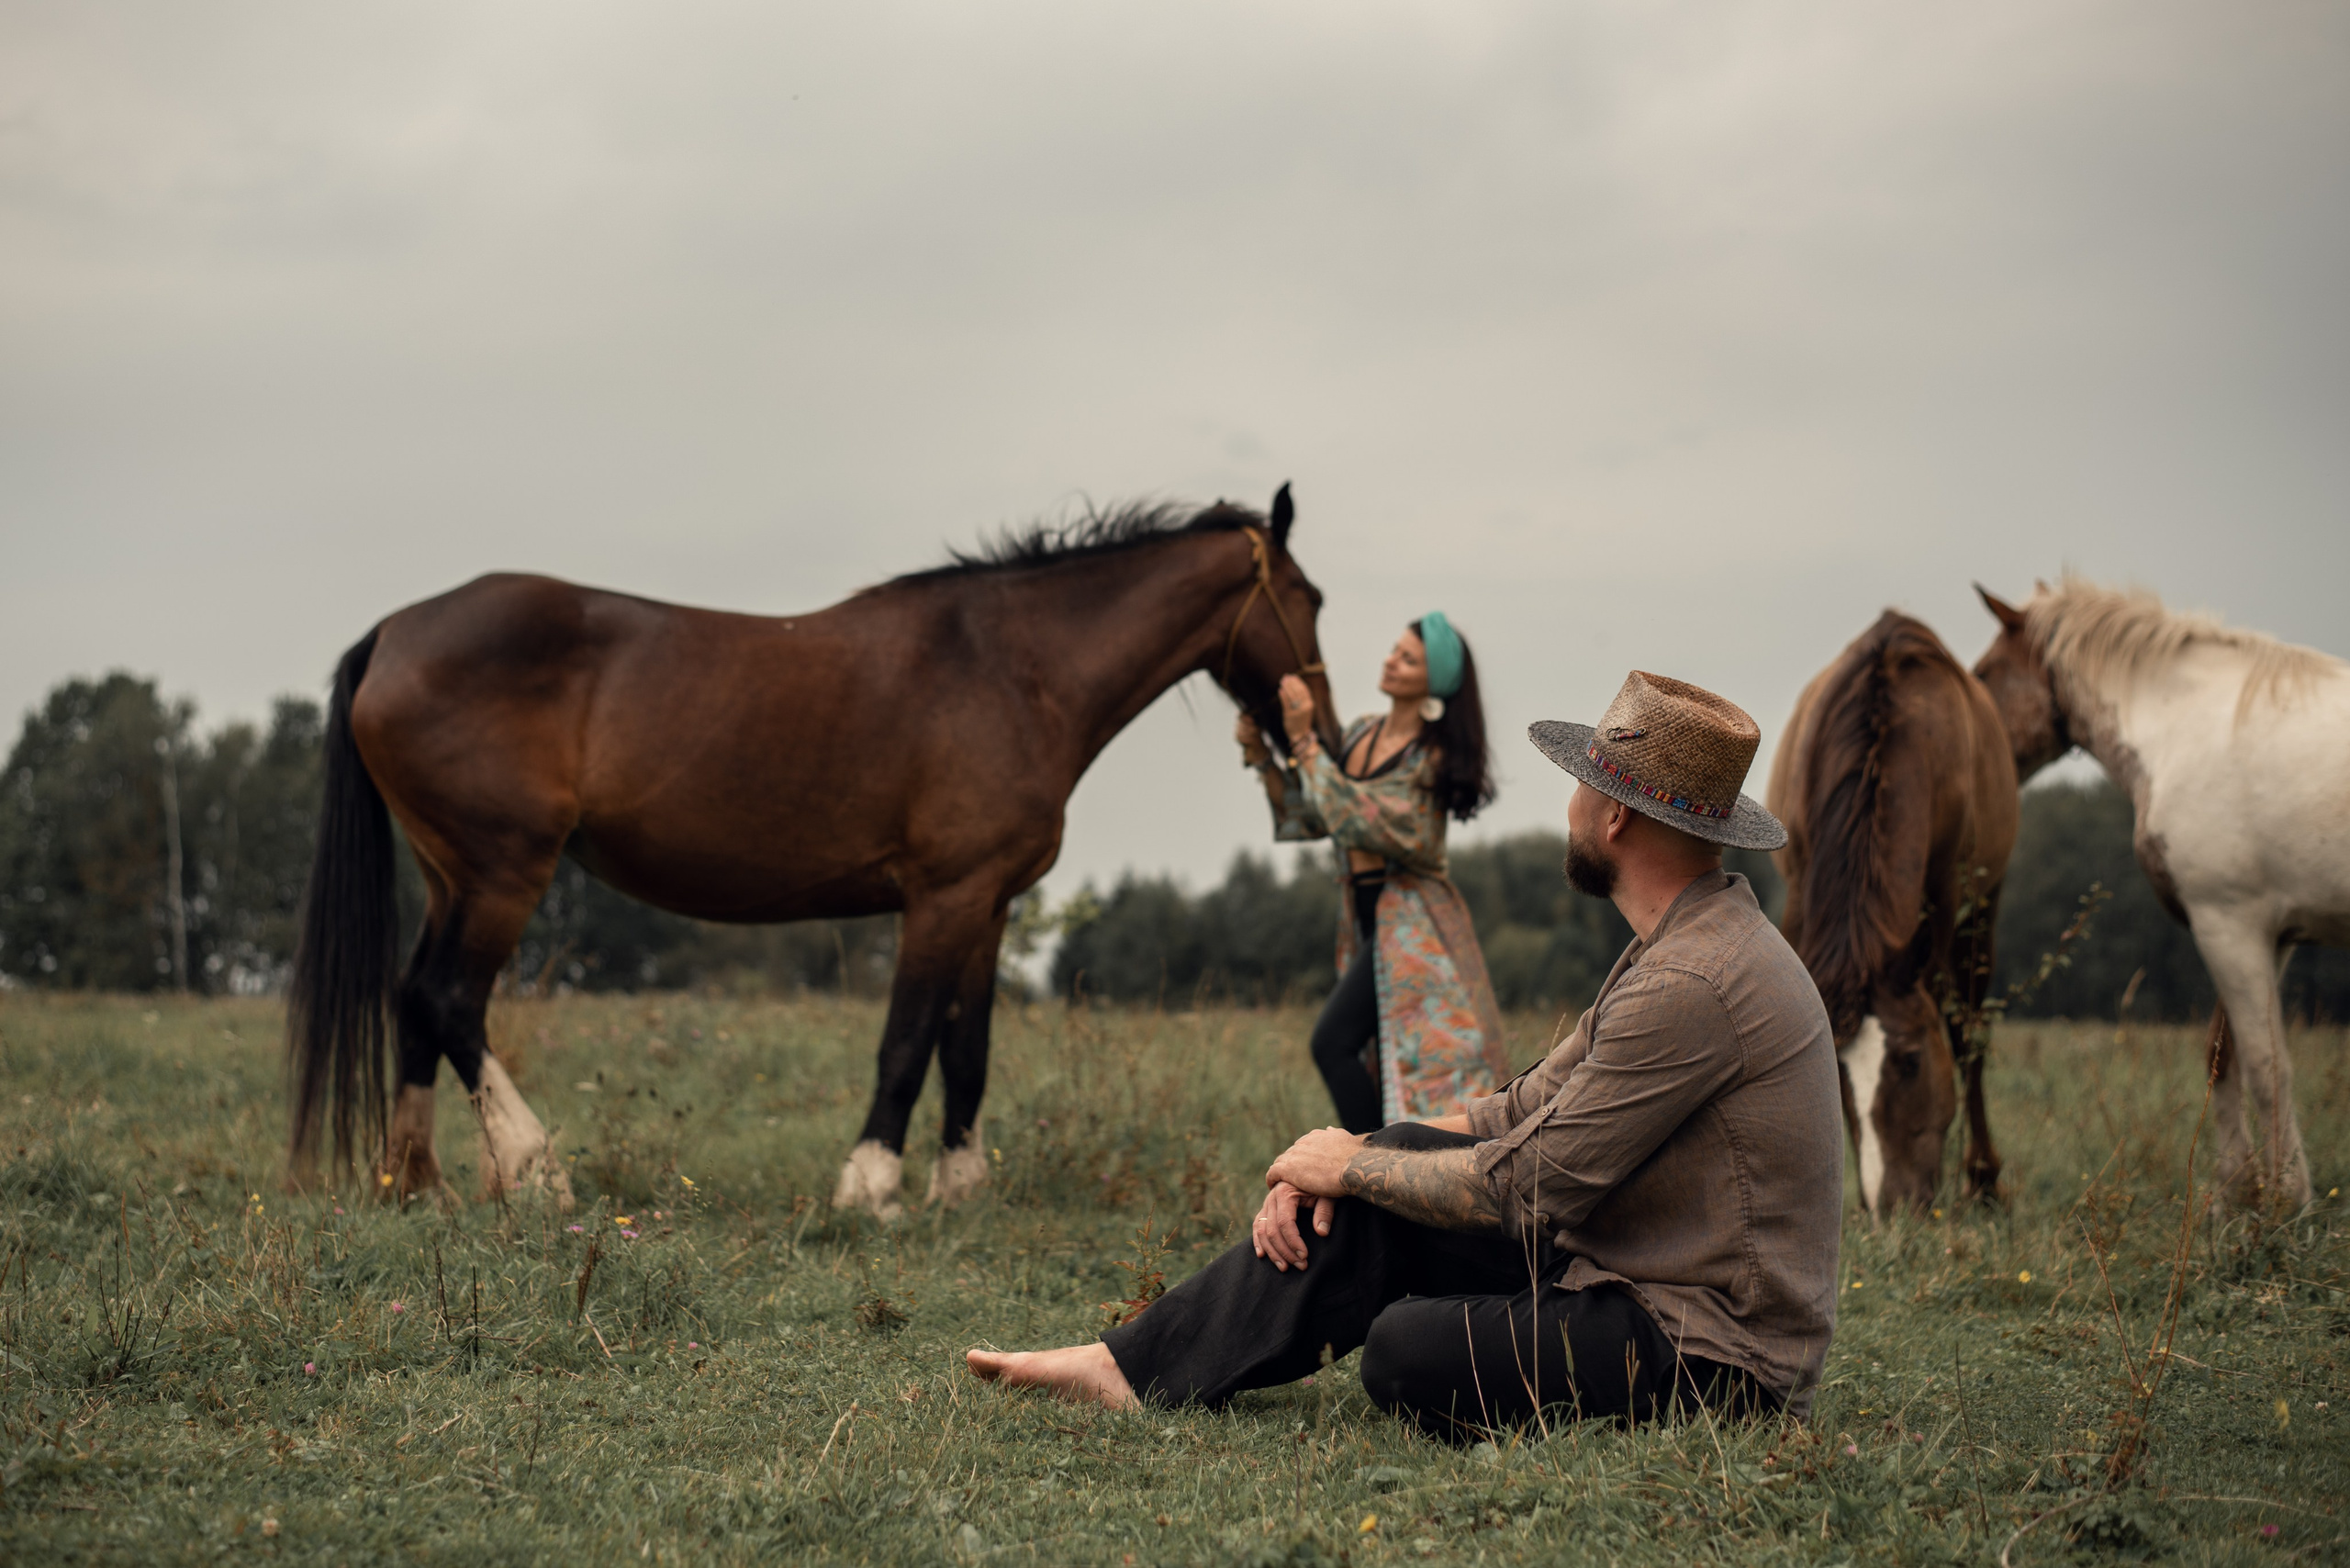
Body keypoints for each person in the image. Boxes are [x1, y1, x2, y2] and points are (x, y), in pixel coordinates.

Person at [968, 672, 1843, 1438]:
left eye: (1578, 787)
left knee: (1404, 1350)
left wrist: (1352, 1166)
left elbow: (1526, 1187)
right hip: (1635, 1270)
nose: (1567, 806)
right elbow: (1513, 1114)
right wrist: (1350, 1160)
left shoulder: (1695, 980)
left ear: (1612, 816)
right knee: (1405, 1158)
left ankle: (1155, 1362)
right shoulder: (1679, 946)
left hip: (1712, 1361)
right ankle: (1130, 1368)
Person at [1233, 614, 1508, 1134]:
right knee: (1382, 1061)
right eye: (1394, 651)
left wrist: (1306, 745)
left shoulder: (1430, 758)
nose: (1391, 661)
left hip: (1411, 924)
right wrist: (1262, 758)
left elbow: (1359, 817)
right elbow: (1314, 814)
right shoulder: (1361, 732)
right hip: (1360, 915)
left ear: (1437, 681)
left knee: (1333, 1043)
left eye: (1408, 658)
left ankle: (1370, 1168)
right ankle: (1388, 1183)